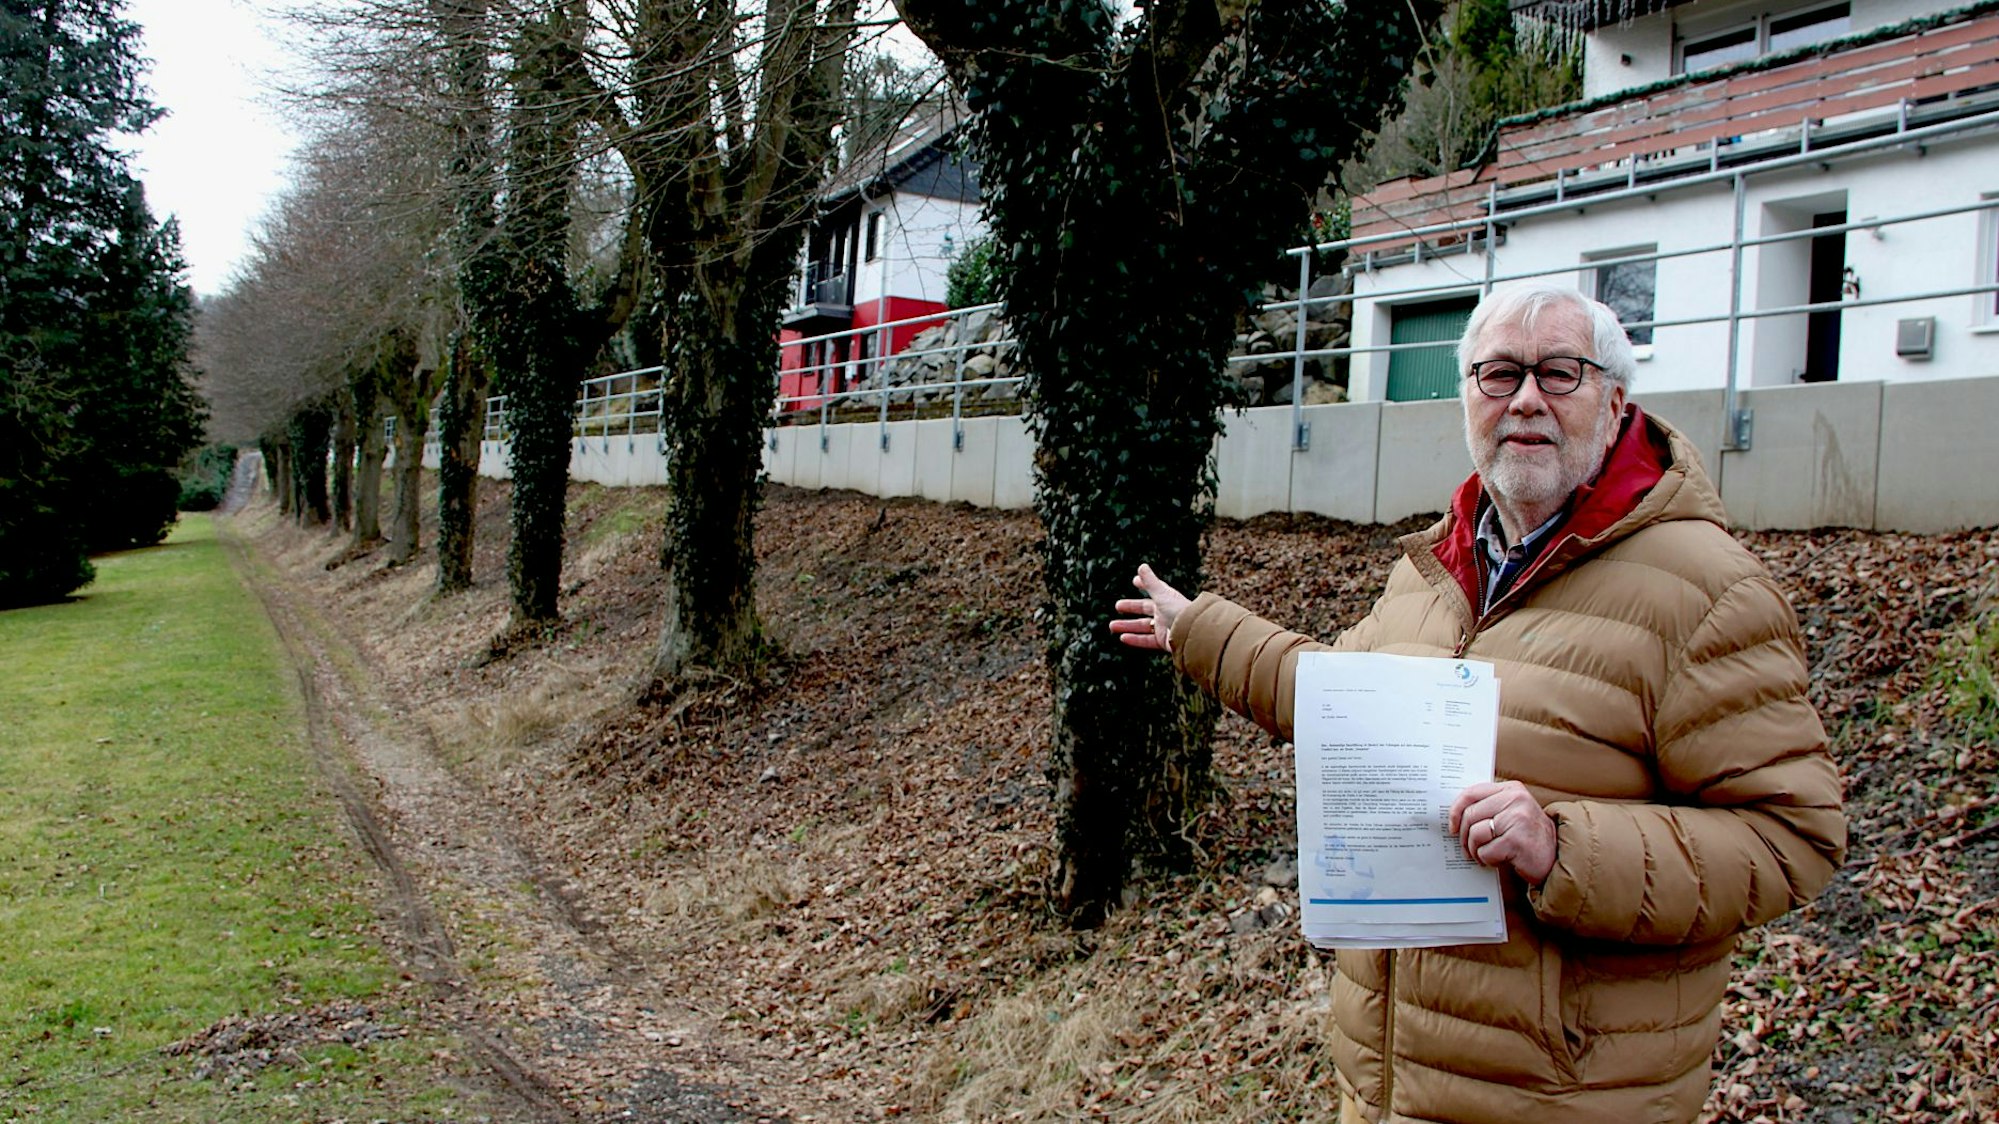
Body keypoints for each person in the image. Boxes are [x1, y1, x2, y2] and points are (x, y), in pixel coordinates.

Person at [1109, 283, 1845, 1123]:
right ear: (1466, 399)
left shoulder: (1706, 592)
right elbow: (1337, 699)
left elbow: (1792, 837)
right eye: (1498, 374)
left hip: (1564, 1097)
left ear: (1615, 403)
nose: (1525, 398)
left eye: (1560, 373)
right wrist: (1199, 630)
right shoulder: (1433, 572)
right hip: (1391, 1083)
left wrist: (1559, 846)